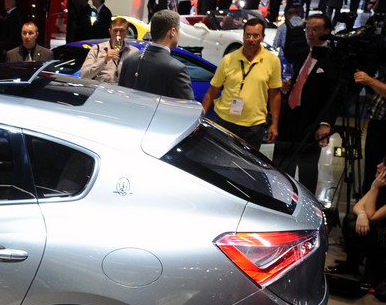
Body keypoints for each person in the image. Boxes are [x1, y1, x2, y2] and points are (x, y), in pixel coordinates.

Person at [274, 14, 337, 194]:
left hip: (311, 122)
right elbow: (300, 81)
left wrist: (325, 124)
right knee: (282, 165)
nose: (309, 33)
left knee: (307, 170)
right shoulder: (302, 53)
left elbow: (335, 96)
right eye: (307, 29)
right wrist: (289, 86)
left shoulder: (333, 58)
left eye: (315, 30)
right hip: (290, 118)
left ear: (326, 32)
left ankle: (307, 209)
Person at [201, 16, 282, 148]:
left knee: (247, 166)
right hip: (225, 121)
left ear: (262, 37)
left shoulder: (272, 61)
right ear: (243, 36)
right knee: (222, 161)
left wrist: (274, 124)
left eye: (255, 36)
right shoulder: (229, 59)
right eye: (247, 35)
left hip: (254, 126)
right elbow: (212, 91)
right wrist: (202, 116)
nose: (251, 40)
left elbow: (275, 94)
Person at [329, 156, 386, 284]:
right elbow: (358, 206)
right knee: (350, 218)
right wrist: (361, 215)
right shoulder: (382, 185)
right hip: (380, 228)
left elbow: (372, 217)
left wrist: (374, 188)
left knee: (360, 227)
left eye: (384, 164)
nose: (378, 165)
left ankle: (376, 272)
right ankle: (352, 264)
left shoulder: (377, 186)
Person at [117, 10, 193, 100]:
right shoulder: (177, 69)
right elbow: (188, 108)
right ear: (172, 31)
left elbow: (121, 97)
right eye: (178, 30)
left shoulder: (129, 60)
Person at [355, 65, 386, 192]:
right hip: (376, 122)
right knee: (371, 172)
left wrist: (370, 80)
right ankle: (366, 206)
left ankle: (377, 209)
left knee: (383, 174)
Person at [80, 17, 140, 85]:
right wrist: (104, 60)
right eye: (115, 30)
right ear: (110, 31)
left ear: (127, 32)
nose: (118, 34)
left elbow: (137, 78)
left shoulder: (134, 52)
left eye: (122, 31)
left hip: (121, 93)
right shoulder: (97, 49)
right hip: (100, 91)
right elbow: (83, 75)